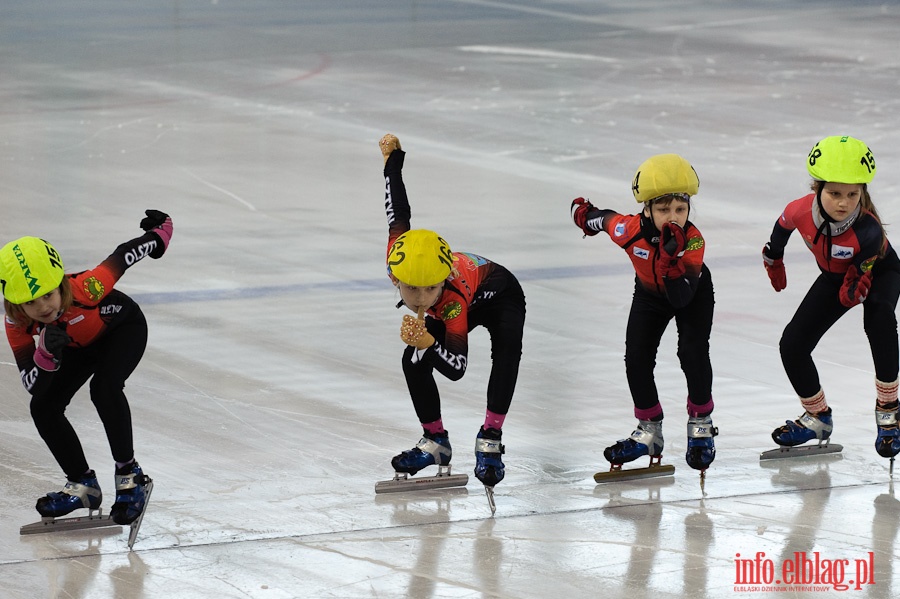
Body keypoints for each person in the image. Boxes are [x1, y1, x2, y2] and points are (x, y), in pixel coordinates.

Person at [0, 210, 173, 524]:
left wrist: (159, 237)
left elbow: (122, 257)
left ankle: (129, 476)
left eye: (48, 294)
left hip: (121, 329)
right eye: (31, 302)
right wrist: (46, 357)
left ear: (59, 284)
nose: (43, 308)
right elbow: (33, 384)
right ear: (16, 304)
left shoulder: (86, 288)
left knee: (104, 389)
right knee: (43, 407)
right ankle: (83, 485)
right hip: (75, 346)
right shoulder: (17, 324)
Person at [379, 133, 526, 488]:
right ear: (397, 278)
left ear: (442, 282)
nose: (421, 298)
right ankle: (436, 442)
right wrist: (392, 162)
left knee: (506, 355)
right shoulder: (397, 256)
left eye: (431, 288)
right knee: (409, 360)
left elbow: (458, 368)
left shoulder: (450, 299)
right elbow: (398, 211)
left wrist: (430, 340)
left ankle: (490, 437)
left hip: (501, 293)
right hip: (468, 294)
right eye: (412, 289)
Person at [570, 153, 717, 472]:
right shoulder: (629, 230)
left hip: (691, 292)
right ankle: (649, 430)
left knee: (691, 352)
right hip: (650, 294)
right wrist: (583, 215)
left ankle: (701, 422)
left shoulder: (693, 241)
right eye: (664, 209)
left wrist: (669, 261)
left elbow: (681, 299)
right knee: (636, 358)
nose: (674, 217)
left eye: (681, 208)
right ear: (646, 209)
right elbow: (604, 219)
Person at [762, 135, 900, 459]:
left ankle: (889, 409)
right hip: (837, 275)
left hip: (878, 272)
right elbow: (779, 231)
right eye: (835, 193)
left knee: (878, 318)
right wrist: (774, 259)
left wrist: (856, 283)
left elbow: (860, 275)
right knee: (792, 345)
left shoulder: (869, 231)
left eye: (853, 194)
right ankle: (817, 417)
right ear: (817, 189)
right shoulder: (798, 210)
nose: (843, 202)